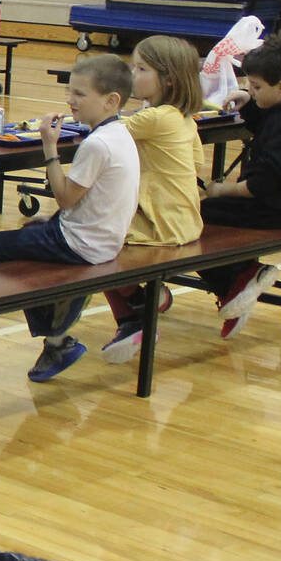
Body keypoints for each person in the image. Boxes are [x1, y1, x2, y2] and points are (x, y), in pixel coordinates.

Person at [0, 55, 139, 386]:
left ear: (111, 100)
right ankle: (56, 338)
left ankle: (53, 341)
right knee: (30, 235)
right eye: (71, 92)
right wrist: (52, 220)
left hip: (79, 245)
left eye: (81, 94)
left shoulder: (97, 143)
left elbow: (66, 196)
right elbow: (90, 203)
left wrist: (50, 148)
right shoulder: (121, 135)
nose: (71, 100)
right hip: (101, 238)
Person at [197, 37, 281, 330]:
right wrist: (251, 104)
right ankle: (238, 284)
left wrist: (221, 189)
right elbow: (273, 120)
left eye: (256, 87)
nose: (251, 90)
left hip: (270, 209)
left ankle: (239, 279)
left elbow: (259, 185)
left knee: (191, 221)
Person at [93, 36, 205, 361]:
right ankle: (142, 306)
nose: (132, 74)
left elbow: (104, 128)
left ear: (168, 78)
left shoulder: (156, 118)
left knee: (93, 242)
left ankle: (134, 315)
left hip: (162, 224)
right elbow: (197, 167)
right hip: (185, 219)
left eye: (141, 68)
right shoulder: (183, 118)